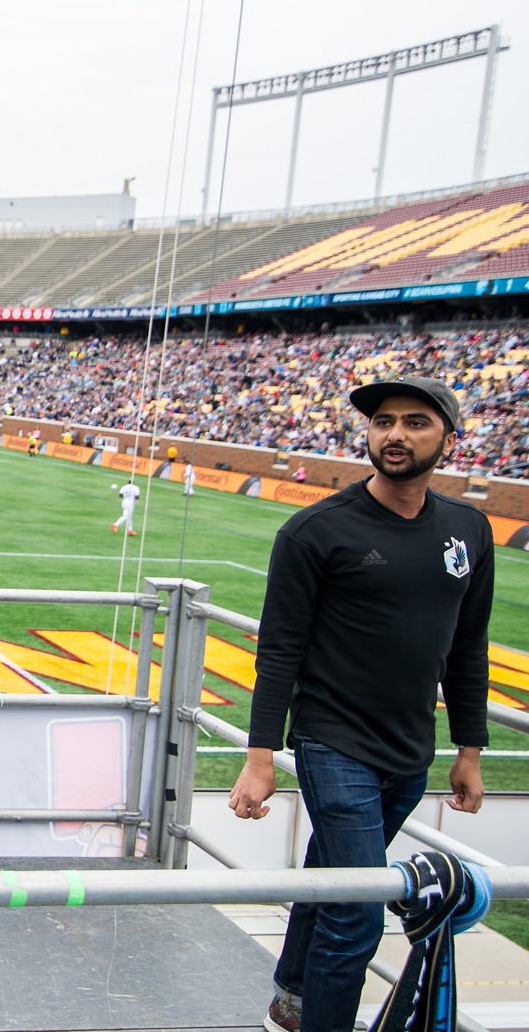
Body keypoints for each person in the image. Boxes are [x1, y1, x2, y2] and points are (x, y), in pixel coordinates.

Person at [229, 375, 493, 1032]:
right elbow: (278, 652)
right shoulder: (315, 531)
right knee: (359, 905)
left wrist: (470, 749)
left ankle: (292, 996)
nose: (394, 433)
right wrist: (260, 757)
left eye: (414, 422)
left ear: (449, 440)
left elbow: (469, 645)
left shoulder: (469, 529)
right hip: (331, 740)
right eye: (383, 422)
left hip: (411, 750)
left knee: (335, 871)